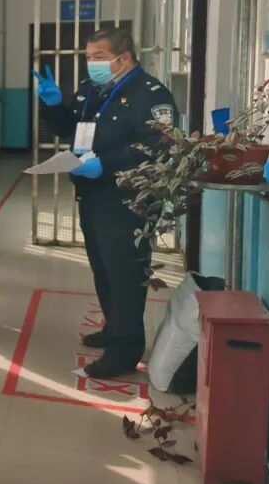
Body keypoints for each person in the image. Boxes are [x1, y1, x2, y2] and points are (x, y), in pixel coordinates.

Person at [35, 28, 178, 378]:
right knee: (103, 269)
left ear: (123, 58)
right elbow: (69, 128)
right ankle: (114, 328)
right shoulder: (91, 89)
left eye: (98, 57)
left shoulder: (151, 94)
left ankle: (124, 351)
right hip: (93, 193)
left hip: (128, 199)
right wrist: (52, 105)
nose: (91, 63)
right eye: (88, 57)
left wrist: (107, 163)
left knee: (125, 275)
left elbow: (159, 146)